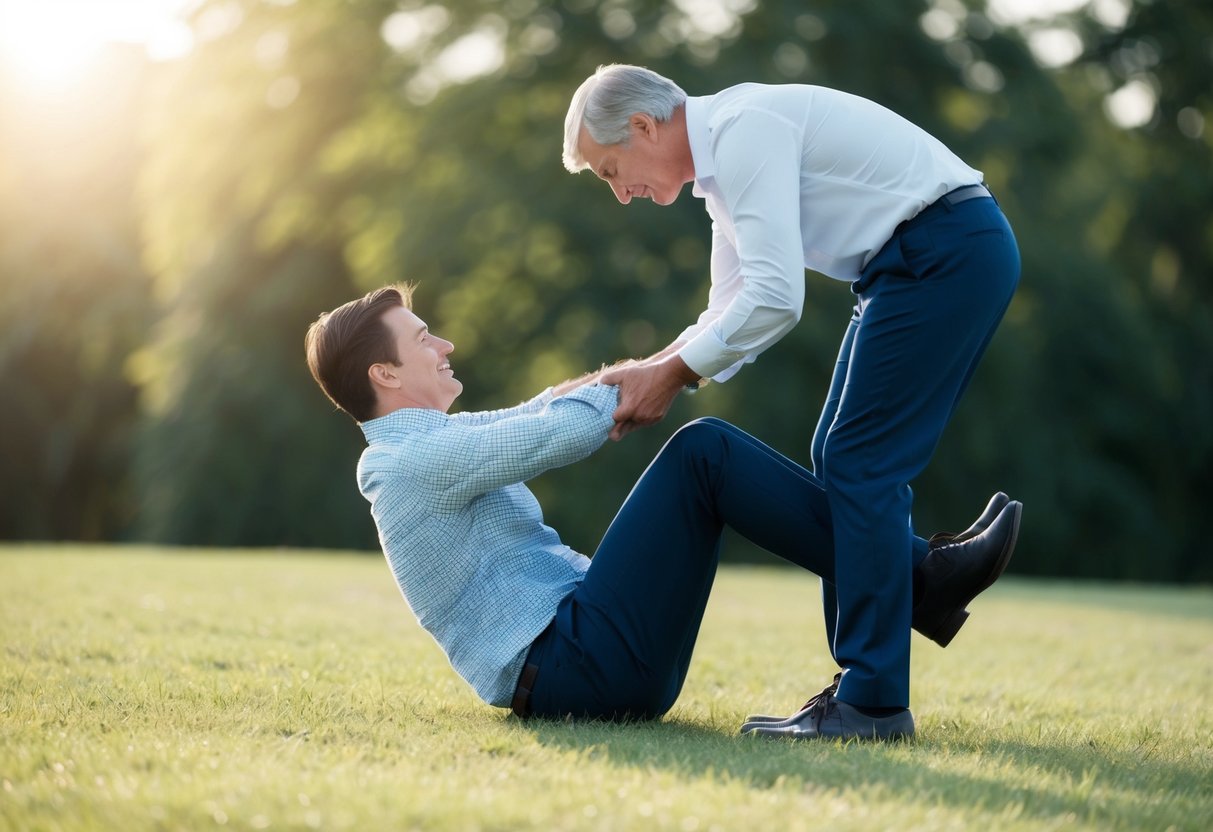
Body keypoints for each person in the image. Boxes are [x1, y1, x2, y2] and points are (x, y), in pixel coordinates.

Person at [303, 284, 1022, 740]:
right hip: (577, 668)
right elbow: (557, 431)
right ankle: (919, 580)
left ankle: (918, 581)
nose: (444, 343)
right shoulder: (402, 464)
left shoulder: (432, 441)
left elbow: (540, 409)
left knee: (704, 459)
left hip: (590, 663)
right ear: (384, 373)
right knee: (702, 453)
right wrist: (651, 384)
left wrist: (658, 366)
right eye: (424, 337)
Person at [562, 65, 1023, 738]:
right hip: (914, 261)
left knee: (858, 461)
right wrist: (651, 369)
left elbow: (777, 299)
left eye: (610, 171)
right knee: (837, 457)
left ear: (640, 127)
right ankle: (919, 589)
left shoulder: (743, 132)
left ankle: (872, 702)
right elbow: (730, 308)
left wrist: (670, 375)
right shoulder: (721, 169)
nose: (620, 194)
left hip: (940, 251)